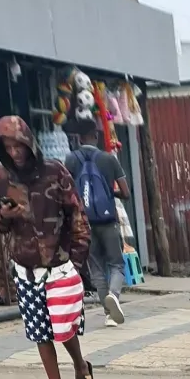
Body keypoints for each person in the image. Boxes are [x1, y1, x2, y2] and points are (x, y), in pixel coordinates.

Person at [0, 115, 92, 379]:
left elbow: (77, 216)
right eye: (8, 147)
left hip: (59, 266)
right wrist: (4, 217)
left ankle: (80, 365)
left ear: (29, 143)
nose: (14, 152)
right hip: (25, 269)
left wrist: (77, 261)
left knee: (64, 329)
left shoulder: (55, 172)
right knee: (40, 334)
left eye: (18, 146)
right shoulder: (0, 178)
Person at [63, 117, 128, 326]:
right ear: (96, 136)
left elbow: (67, 192)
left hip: (85, 223)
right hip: (108, 220)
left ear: (79, 138)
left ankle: (109, 315)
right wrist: (109, 193)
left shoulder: (70, 160)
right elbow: (126, 193)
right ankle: (114, 296)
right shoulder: (109, 159)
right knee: (117, 264)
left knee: (97, 268)